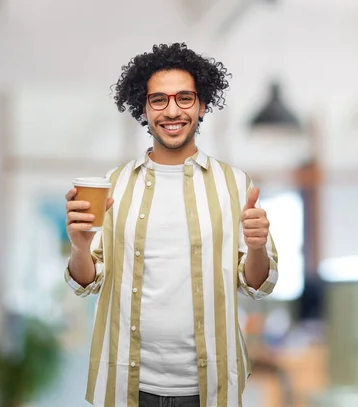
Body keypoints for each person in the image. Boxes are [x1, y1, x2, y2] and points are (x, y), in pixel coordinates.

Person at [64, 43, 279, 407]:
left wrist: (257, 247)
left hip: (211, 389)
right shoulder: (113, 185)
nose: (173, 110)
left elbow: (258, 285)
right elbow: (87, 283)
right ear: (144, 108)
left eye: (184, 97)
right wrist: (80, 248)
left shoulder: (235, 184)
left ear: (202, 105)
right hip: (127, 386)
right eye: (159, 100)